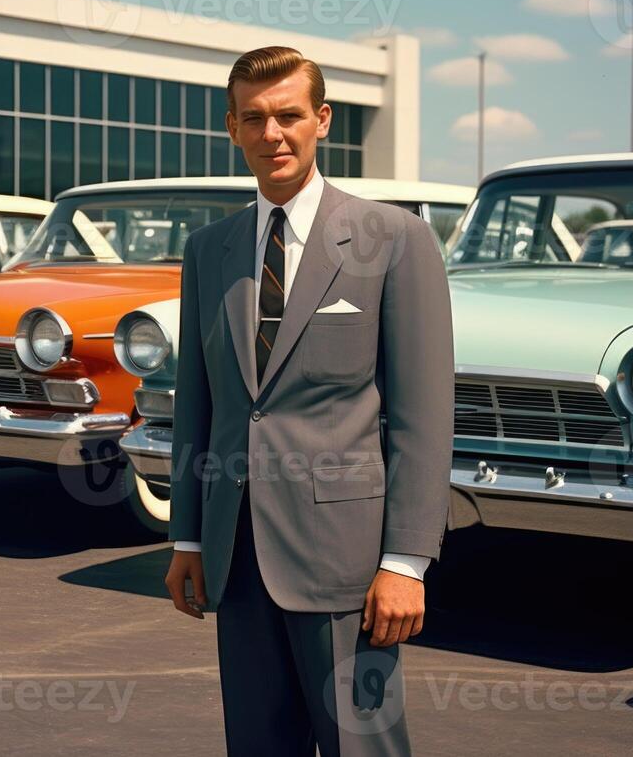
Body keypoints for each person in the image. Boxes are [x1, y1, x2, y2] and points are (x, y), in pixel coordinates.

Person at [164, 46, 455, 756]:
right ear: (232, 127)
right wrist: (188, 537)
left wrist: (406, 562)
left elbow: (422, 419)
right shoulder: (210, 250)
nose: (274, 135)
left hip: (347, 566)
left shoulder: (395, 240)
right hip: (237, 558)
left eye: (290, 116)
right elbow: (198, 405)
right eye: (255, 119)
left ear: (321, 120)